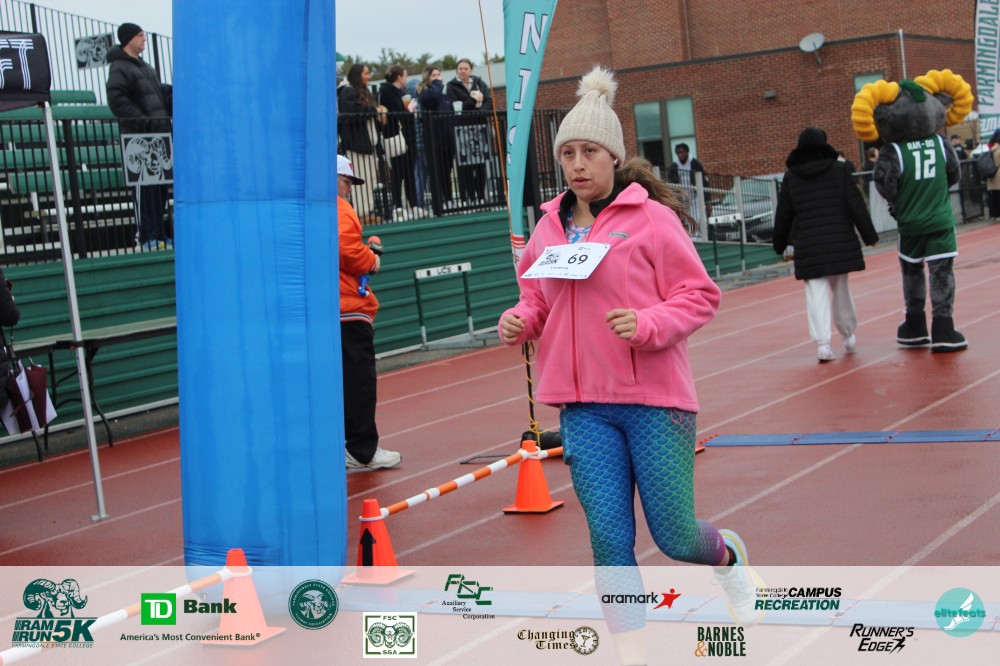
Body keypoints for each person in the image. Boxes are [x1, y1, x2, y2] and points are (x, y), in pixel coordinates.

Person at [498, 66, 761, 664]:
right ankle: (632, 652)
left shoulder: (651, 220)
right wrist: (517, 320)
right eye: (567, 153)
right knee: (610, 542)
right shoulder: (548, 227)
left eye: (589, 152)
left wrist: (647, 324)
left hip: (655, 404)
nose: (577, 164)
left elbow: (700, 296)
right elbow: (536, 300)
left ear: (613, 156)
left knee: (675, 537)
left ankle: (729, 559)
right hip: (584, 409)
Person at [772, 128, 880, 362]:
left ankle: (823, 344)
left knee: (815, 292)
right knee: (841, 288)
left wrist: (779, 244)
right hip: (839, 240)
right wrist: (870, 236)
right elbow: (856, 205)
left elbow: (784, 214)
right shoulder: (840, 170)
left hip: (809, 244)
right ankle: (848, 335)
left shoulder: (791, 177)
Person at [338, 155, 401, 470]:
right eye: (346, 181)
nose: (350, 189)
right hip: (348, 309)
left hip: (329, 309)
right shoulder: (337, 208)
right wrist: (370, 260)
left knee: (338, 384)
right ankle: (361, 450)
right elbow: (347, 249)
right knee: (359, 383)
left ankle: (346, 446)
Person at [106, 22, 173, 251]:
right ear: (128, 39)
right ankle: (145, 237)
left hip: (159, 137)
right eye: (140, 35)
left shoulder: (146, 68)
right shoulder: (119, 67)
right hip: (139, 140)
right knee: (144, 190)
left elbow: (156, 95)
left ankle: (159, 234)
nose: (144, 38)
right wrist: (144, 121)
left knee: (159, 190)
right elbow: (117, 100)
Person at [338, 63, 389, 219]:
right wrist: (374, 110)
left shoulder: (363, 91)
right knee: (360, 180)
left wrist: (379, 116)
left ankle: (368, 210)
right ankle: (362, 212)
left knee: (370, 178)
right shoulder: (347, 91)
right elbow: (353, 114)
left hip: (369, 146)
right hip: (357, 145)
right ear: (358, 75)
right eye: (366, 73)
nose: (369, 76)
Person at [378, 64, 425, 220]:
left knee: (410, 172)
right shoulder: (386, 91)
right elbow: (395, 111)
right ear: (398, 77)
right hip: (397, 136)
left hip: (409, 136)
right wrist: (409, 112)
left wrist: (410, 112)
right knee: (398, 173)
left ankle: (414, 205)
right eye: (405, 75)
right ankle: (397, 207)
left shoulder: (403, 92)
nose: (406, 79)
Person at [446, 58, 493, 205]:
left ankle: (481, 196)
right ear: (457, 70)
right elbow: (456, 108)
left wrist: (478, 112)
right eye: (460, 68)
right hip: (461, 129)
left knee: (480, 164)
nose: (463, 71)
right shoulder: (451, 86)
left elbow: (488, 101)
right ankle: (469, 198)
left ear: (471, 70)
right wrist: (473, 100)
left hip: (479, 127)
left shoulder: (479, 83)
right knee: (465, 165)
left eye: (465, 68)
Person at [417, 65, 457, 214]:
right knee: (437, 171)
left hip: (447, 138)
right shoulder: (425, 92)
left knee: (447, 170)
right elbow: (431, 99)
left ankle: (449, 199)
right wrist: (437, 83)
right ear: (427, 78)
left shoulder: (443, 95)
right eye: (433, 75)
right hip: (434, 140)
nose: (437, 78)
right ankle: (439, 202)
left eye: (438, 75)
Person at [667, 143, 710, 219]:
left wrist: (707, 200)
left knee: (696, 217)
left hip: (695, 196)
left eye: (682, 152)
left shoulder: (695, 163)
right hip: (682, 197)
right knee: (684, 218)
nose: (680, 155)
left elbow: (705, 182)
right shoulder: (674, 166)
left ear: (687, 152)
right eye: (678, 153)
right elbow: (670, 181)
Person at [986, 129, 1000, 220]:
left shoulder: (992, 148)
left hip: (993, 174)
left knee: (994, 196)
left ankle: (995, 214)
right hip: (999, 174)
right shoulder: (998, 150)